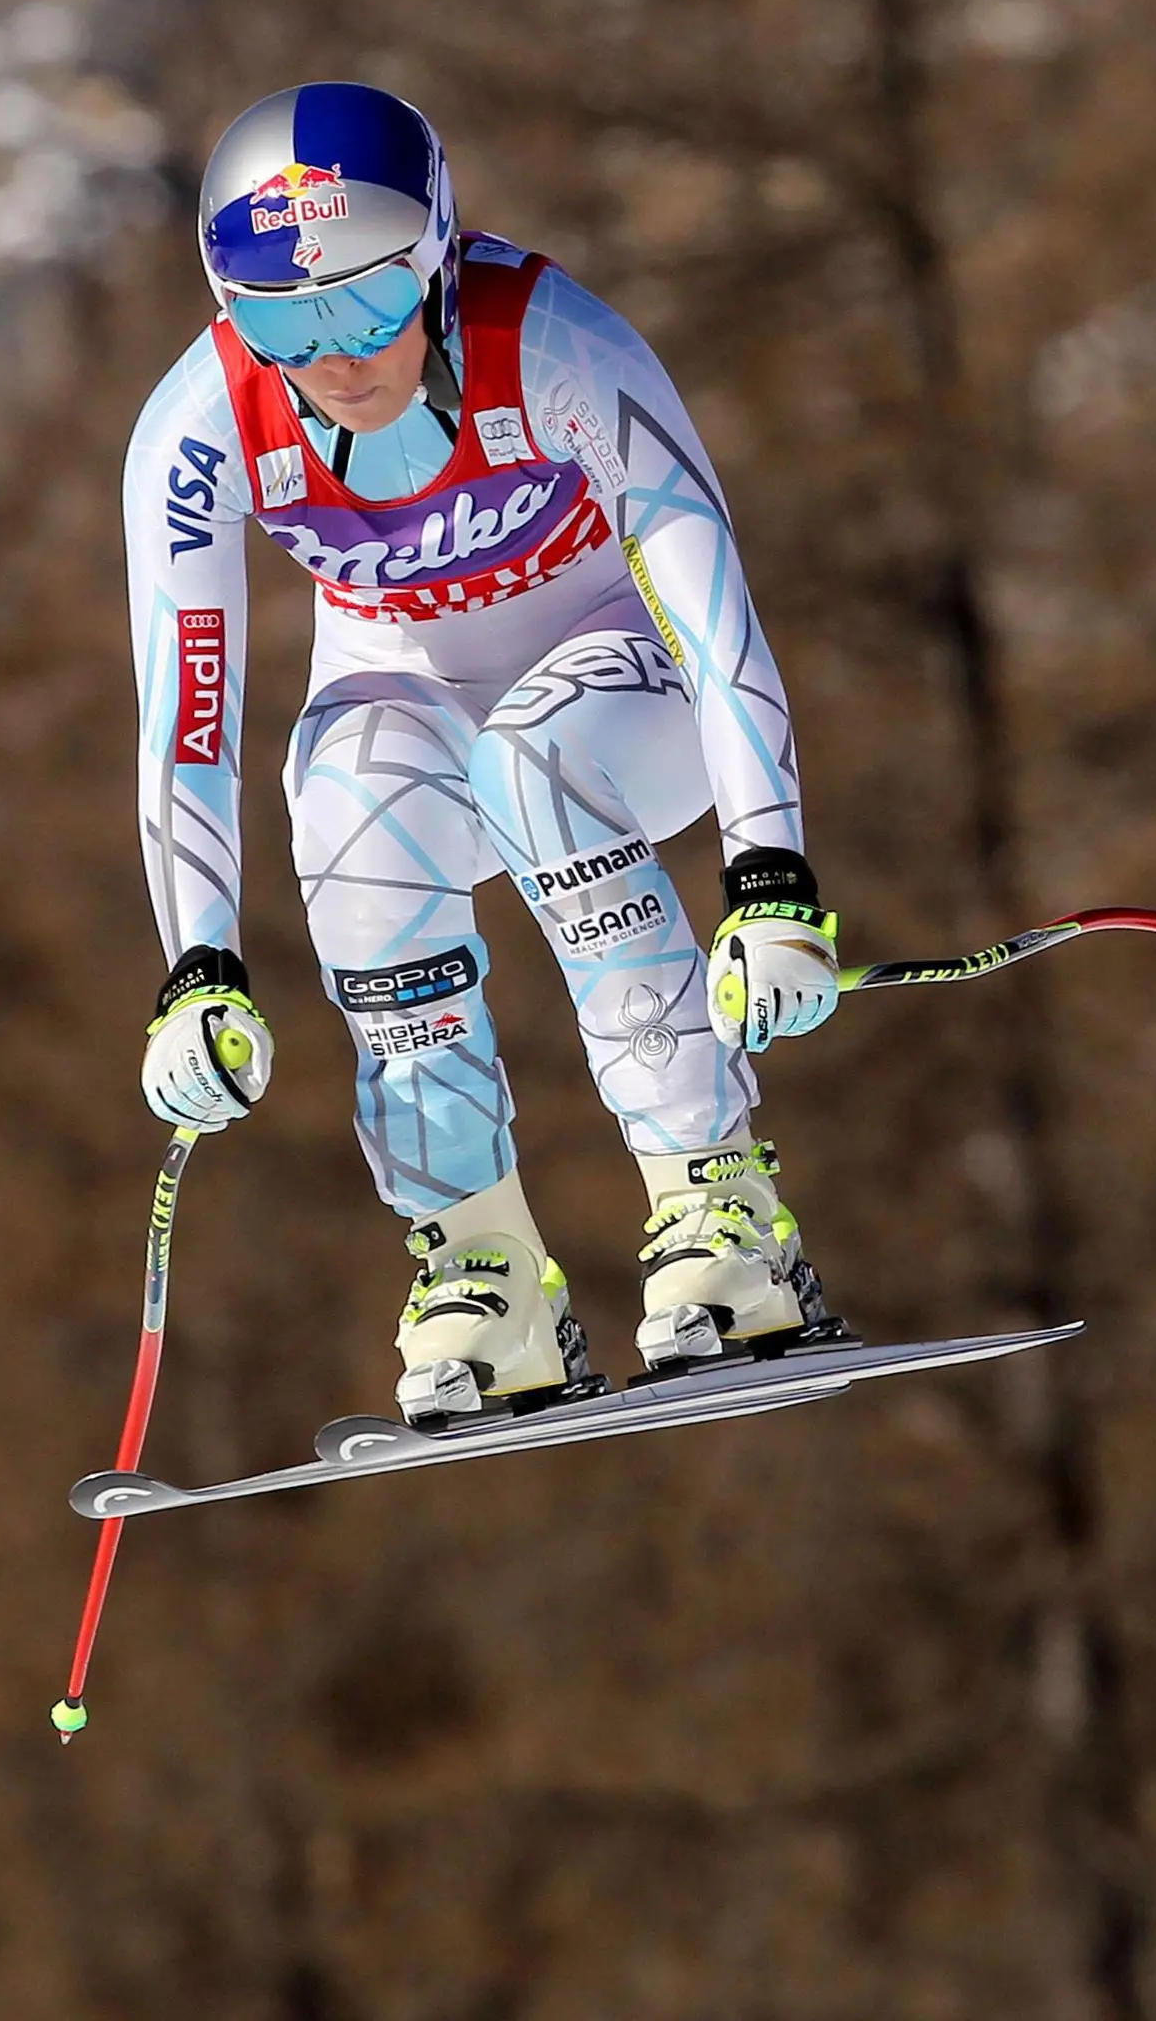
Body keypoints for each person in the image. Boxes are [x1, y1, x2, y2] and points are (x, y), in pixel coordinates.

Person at [124, 80, 844, 1427]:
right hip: (406, 688)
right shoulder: (203, 426)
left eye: (367, 301)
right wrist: (199, 972)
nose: (334, 355)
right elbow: (189, 717)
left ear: (441, 255)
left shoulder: (558, 346)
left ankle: (720, 1208)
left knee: (539, 762)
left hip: (626, 682)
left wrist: (772, 878)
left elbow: (713, 614)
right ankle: (483, 1269)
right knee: (348, 803)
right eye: (282, 318)